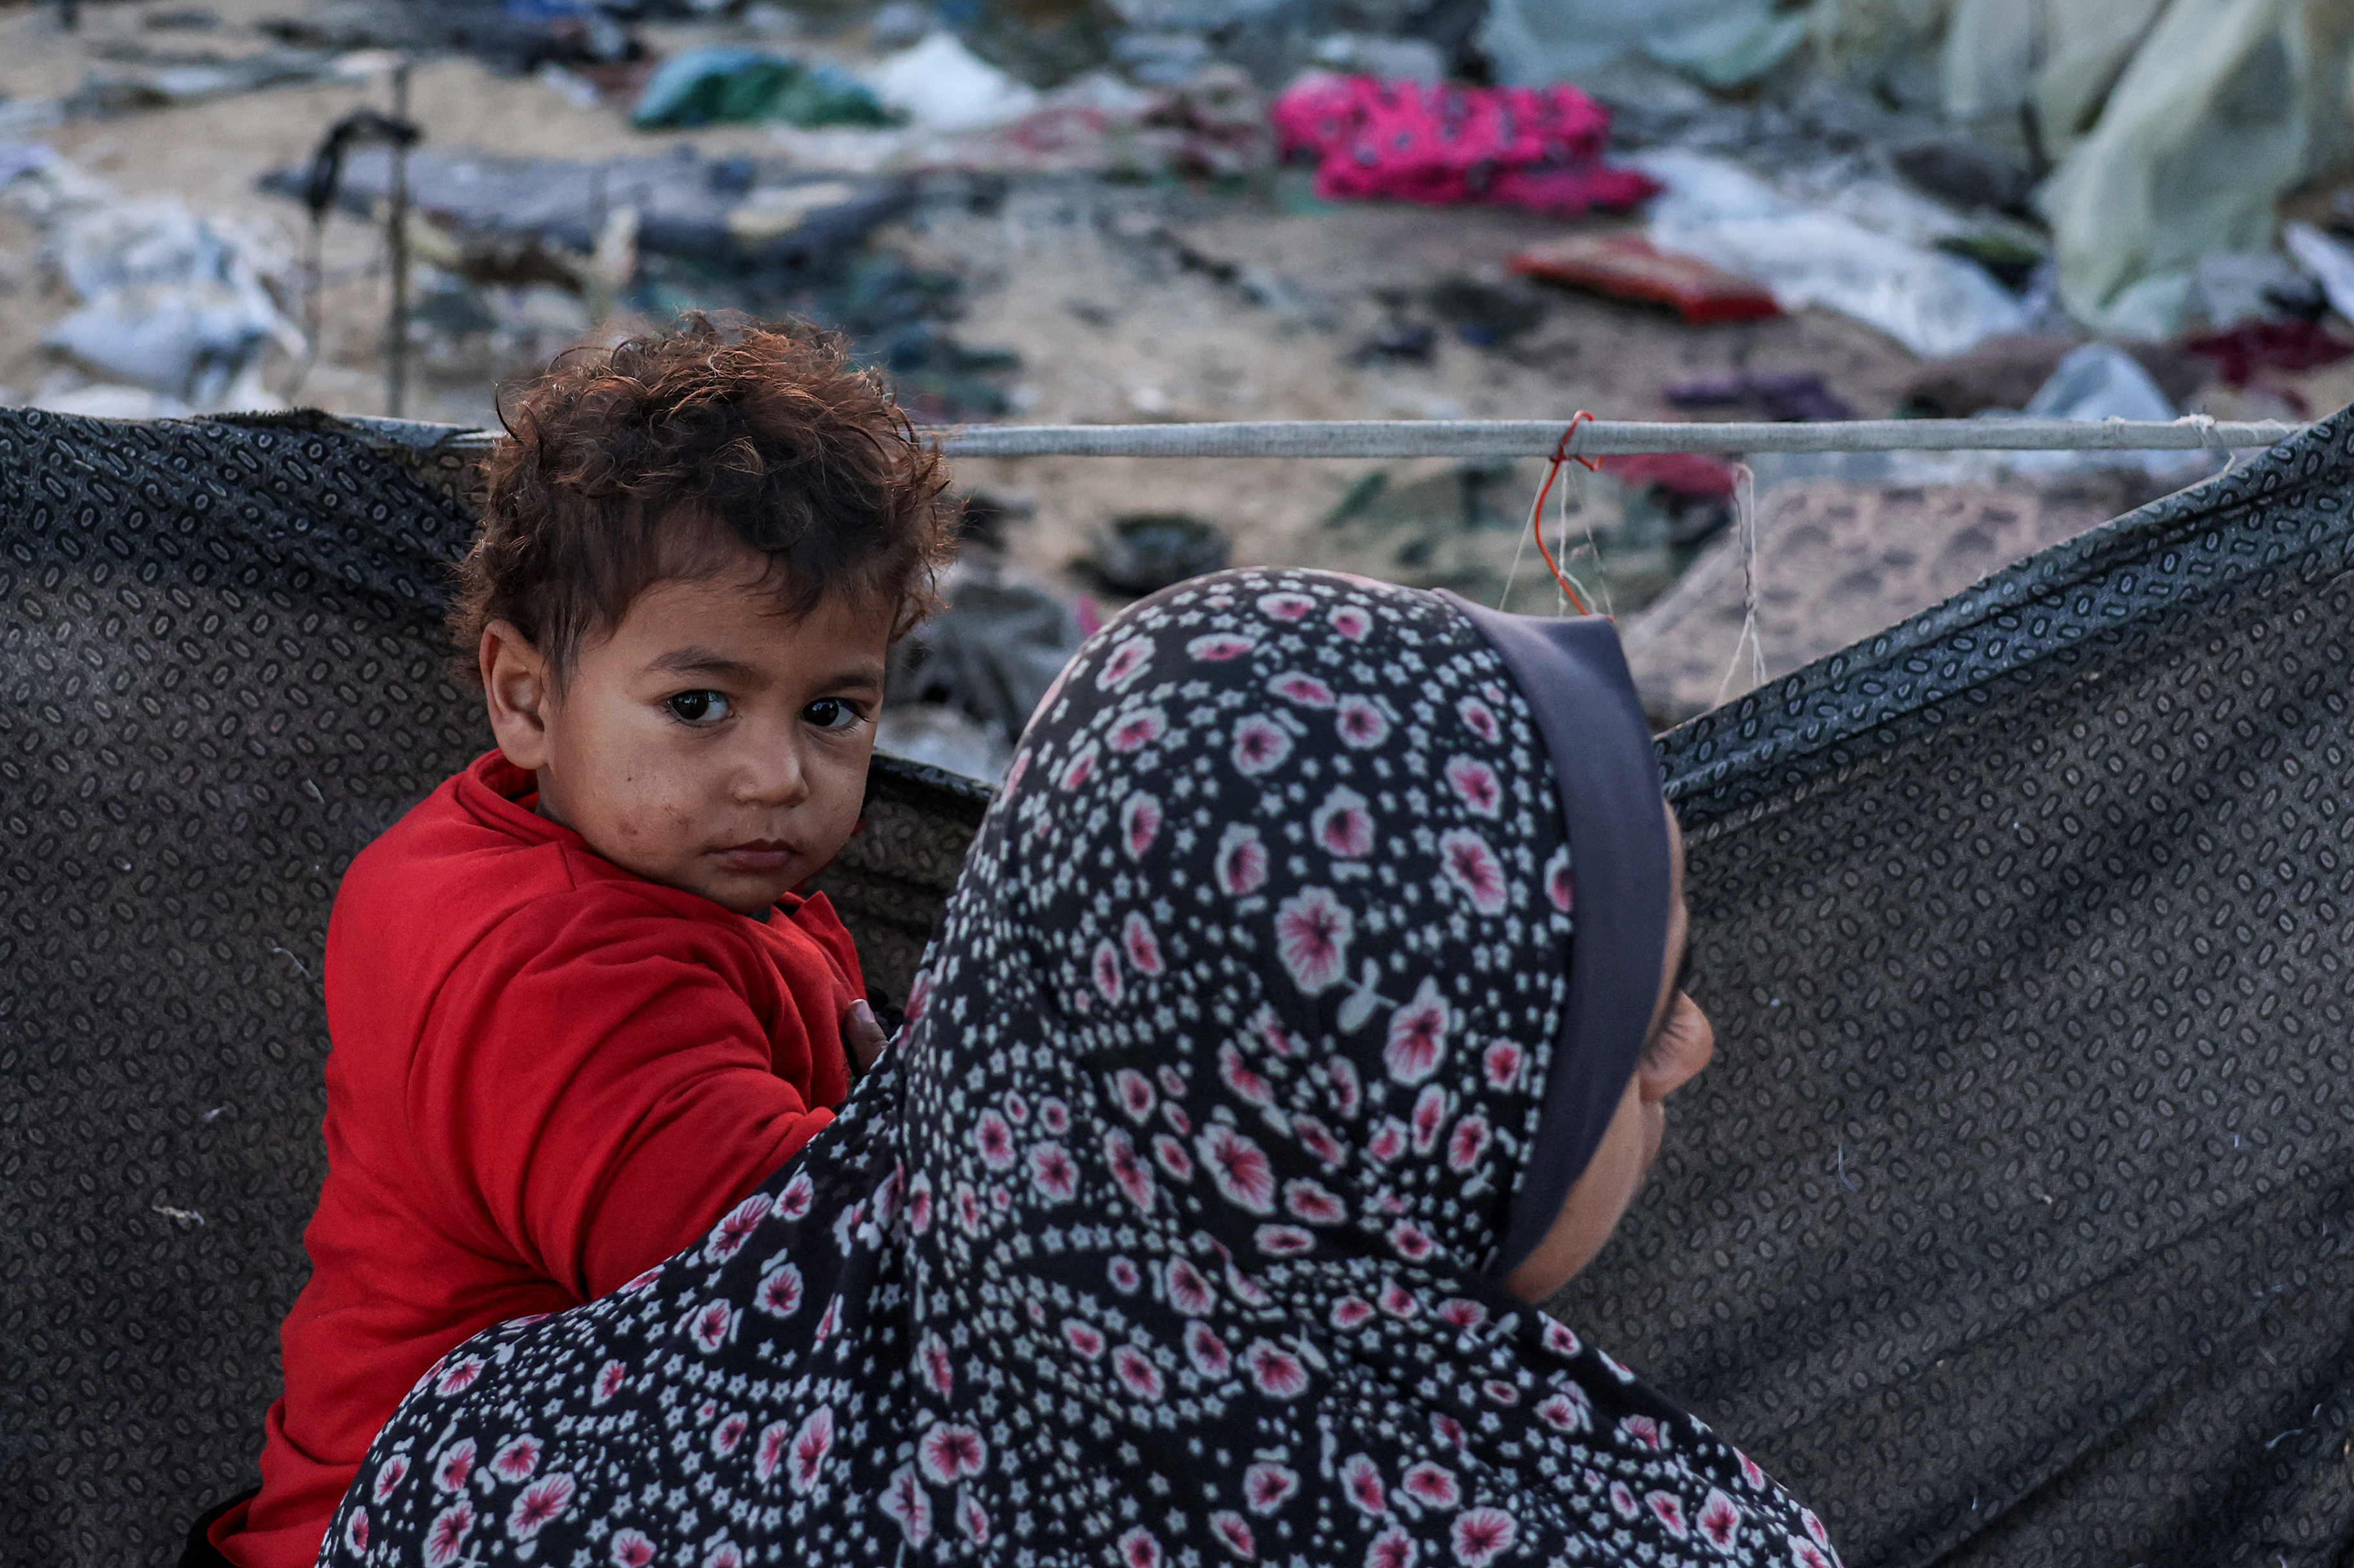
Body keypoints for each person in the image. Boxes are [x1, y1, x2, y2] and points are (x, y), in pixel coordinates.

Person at [327, 566, 1842, 1566]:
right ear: (1387, 1116)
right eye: (1633, 1018)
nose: (1692, 1046)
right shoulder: (1675, 1540)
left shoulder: (483, 1468)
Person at [207, 317, 956, 1568]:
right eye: (699, 704)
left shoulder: (679, 861)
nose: (776, 775)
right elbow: (791, 1280)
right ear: (526, 697)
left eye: (833, 709)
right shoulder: (550, 966)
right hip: (436, 1523)